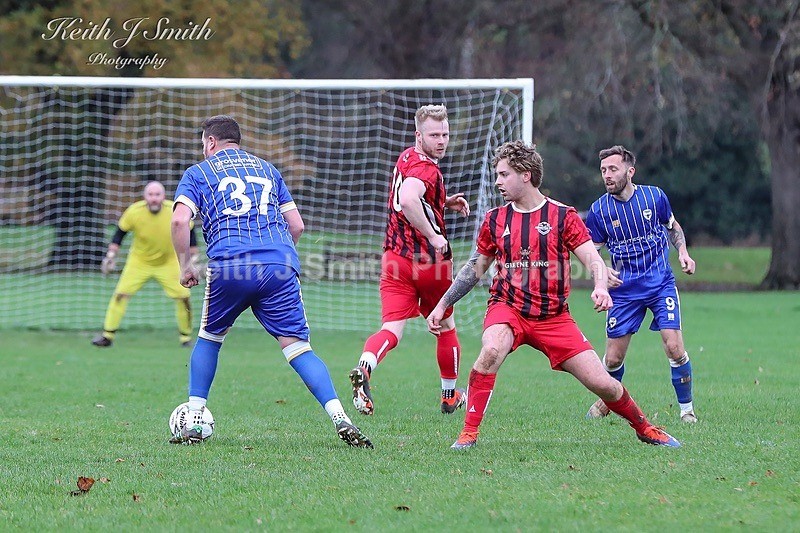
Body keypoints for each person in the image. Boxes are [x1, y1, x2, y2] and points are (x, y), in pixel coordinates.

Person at [427, 140, 681, 449]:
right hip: (508, 309)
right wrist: (443, 304)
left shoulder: (563, 216)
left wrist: (601, 286)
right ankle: (468, 434)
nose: (497, 182)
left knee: (604, 384)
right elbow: (474, 268)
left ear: (526, 175)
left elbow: (593, 259)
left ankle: (644, 428)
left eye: (504, 174)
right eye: (496, 175)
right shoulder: (495, 219)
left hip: (554, 319)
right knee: (491, 350)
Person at [170, 115, 372, 448]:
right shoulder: (267, 169)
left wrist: (185, 266)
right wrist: (276, 259)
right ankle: (341, 418)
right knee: (298, 348)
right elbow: (297, 226)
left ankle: (193, 419)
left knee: (209, 337)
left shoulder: (198, 173)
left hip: (231, 265)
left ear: (209, 143)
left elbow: (179, 221)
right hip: (279, 264)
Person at [349, 104, 471, 416]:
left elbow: (413, 193)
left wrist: (444, 201)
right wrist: (433, 236)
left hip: (394, 258)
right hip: (430, 263)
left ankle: (365, 367)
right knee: (446, 325)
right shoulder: (428, 169)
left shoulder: (407, 156)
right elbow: (408, 198)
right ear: (419, 135)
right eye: (434, 135)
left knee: (392, 328)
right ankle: (449, 396)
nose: (441, 140)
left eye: (444, 134)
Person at [584, 145, 697, 423]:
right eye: (603, 171)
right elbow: (589, 250)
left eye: (613, 169)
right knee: (612, 360)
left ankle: (687, 411)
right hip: (623, 291)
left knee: (674, 347)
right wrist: (603, 271)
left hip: (660, 285)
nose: (607, 175)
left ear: (630, 171)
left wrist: (682, 252)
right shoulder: (599, 210)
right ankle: (606, 399)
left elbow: (672, 226)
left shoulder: (654, 197)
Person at [91, 181, 198, 348]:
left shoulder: (173, 210)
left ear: (163, 196)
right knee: (120, 295)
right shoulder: (134, 211)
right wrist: (110, 256)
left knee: (183, 298)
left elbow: (190, 233)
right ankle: (107, 336)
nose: (154, 198)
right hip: (139, 262)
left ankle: (186, 338)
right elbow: (119, 234)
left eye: (157, 195)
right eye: (150, 195)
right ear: (145, 196)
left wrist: (194, 259)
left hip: (169, 262)